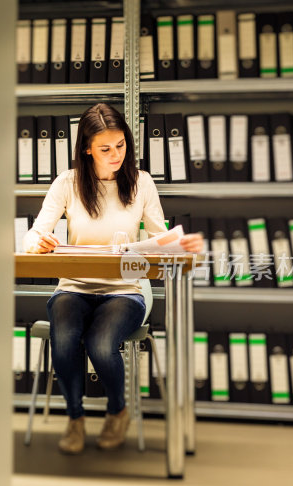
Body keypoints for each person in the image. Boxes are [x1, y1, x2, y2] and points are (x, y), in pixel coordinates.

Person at [23, 103, 203, 454]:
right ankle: (75, 418)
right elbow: (33, 235)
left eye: (121, 145)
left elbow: (161, 238)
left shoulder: (141, 182)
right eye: (105, 149)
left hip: (125, 291)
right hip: (74, 287)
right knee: (64, 338)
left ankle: (117, 410)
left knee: (100, 343)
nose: (116, 154)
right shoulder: (67, 183)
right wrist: (38, 243)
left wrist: (174, 243)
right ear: (87, 148)